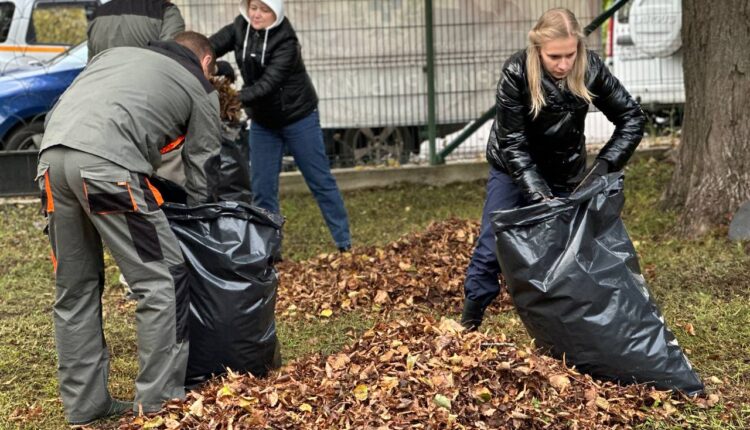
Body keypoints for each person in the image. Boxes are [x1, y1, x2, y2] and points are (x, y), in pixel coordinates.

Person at [37, 31, 221, 425]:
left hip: (51, 164)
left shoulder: (113, 57)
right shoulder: (199, 86)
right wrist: (203, 221)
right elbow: (203, 162)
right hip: (107, 172)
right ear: (206, 63)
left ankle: (85, 406)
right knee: (160, 280)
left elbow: (56, 113)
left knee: (75, 287)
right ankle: (158, 404)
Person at [460, 8, 646, 330]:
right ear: (538, 49)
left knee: (571, 250)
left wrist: (601, 169)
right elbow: (513, 144)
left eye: (569, 55)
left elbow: (632, 118)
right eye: (554, 56)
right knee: (494, 244)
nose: (563, 65)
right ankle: (469, 320)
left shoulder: (589, 68)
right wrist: (540, 198)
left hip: (565, 172)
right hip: (512, 169)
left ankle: (570, 330)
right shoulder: (517, 73)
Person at [209, 0, 352, 252]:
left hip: (299, 118)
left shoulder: (286, 42)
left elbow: (266, 85)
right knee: (262, 189)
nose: (257, 14)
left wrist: (227, 100)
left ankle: (344, 244)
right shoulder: (240, 26)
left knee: (320, 181)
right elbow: (209, 46)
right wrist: (213, 64)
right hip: (264, 123)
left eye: (265, 10)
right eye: (253, 7)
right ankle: (270, 252)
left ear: (276, 12)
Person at [87, 0, 185, 62]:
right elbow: (172, 58)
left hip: (104, 88)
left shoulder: (98, 14)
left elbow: (91, 62)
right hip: (147, 89)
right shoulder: (166, 11)